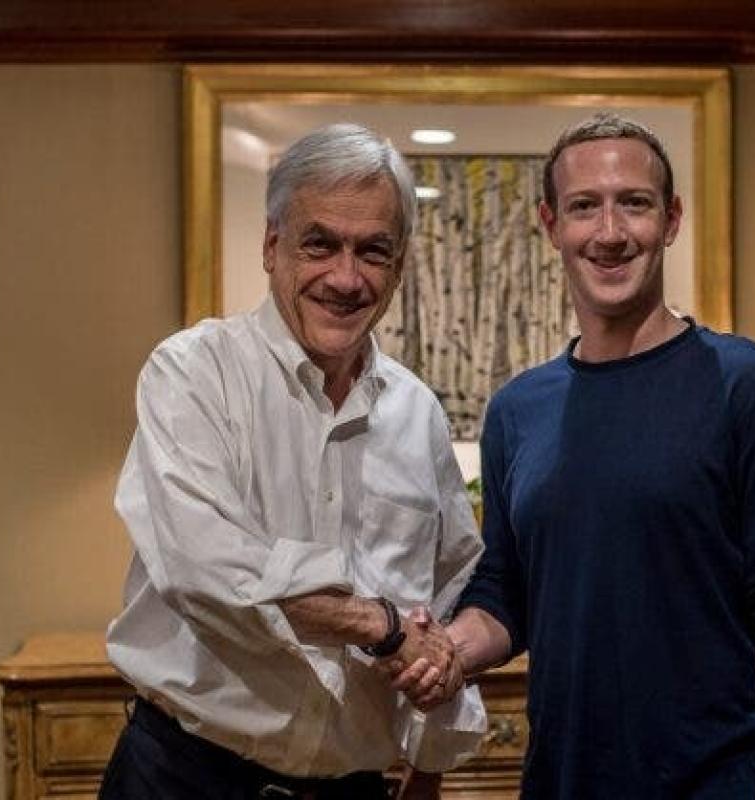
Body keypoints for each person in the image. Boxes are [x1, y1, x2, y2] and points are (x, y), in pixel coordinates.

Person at [397, 113, 755, 799]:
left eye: (634, 203)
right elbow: (507, 595)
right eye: (583, 207)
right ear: (550, 225)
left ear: (671, 219)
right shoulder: (517, 410)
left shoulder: (750, 386)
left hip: (717, 781)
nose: (609, 232)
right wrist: (445, 652)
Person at [101, 123, 487, 800]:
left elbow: (449, 593)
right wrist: (379, 625)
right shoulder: (194, 375)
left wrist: (428, 765)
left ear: (399, 267)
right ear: (271, 246)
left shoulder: (418, 413)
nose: (346, 277)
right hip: (187, 778)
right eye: (320, 244)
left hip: (352, 787)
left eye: (374, 251)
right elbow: (206, 570)